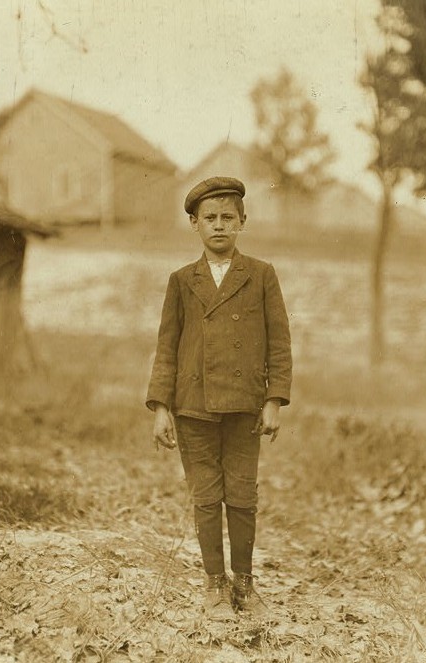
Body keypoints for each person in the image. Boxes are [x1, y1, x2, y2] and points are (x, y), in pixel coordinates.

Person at [146, 176, 292, 620]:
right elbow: (166, 347)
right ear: (194, 224)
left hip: (246, 406)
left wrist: (273, 399)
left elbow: (279, 344)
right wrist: (160, 407)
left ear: (243, 223)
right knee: (206, 497)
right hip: (193, 405)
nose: (219, 226)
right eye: (209, 218)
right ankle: (214, 584)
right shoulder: (181, 281)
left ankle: (245, 585)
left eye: (229, 218)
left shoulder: (262, 275)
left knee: (243, 496)